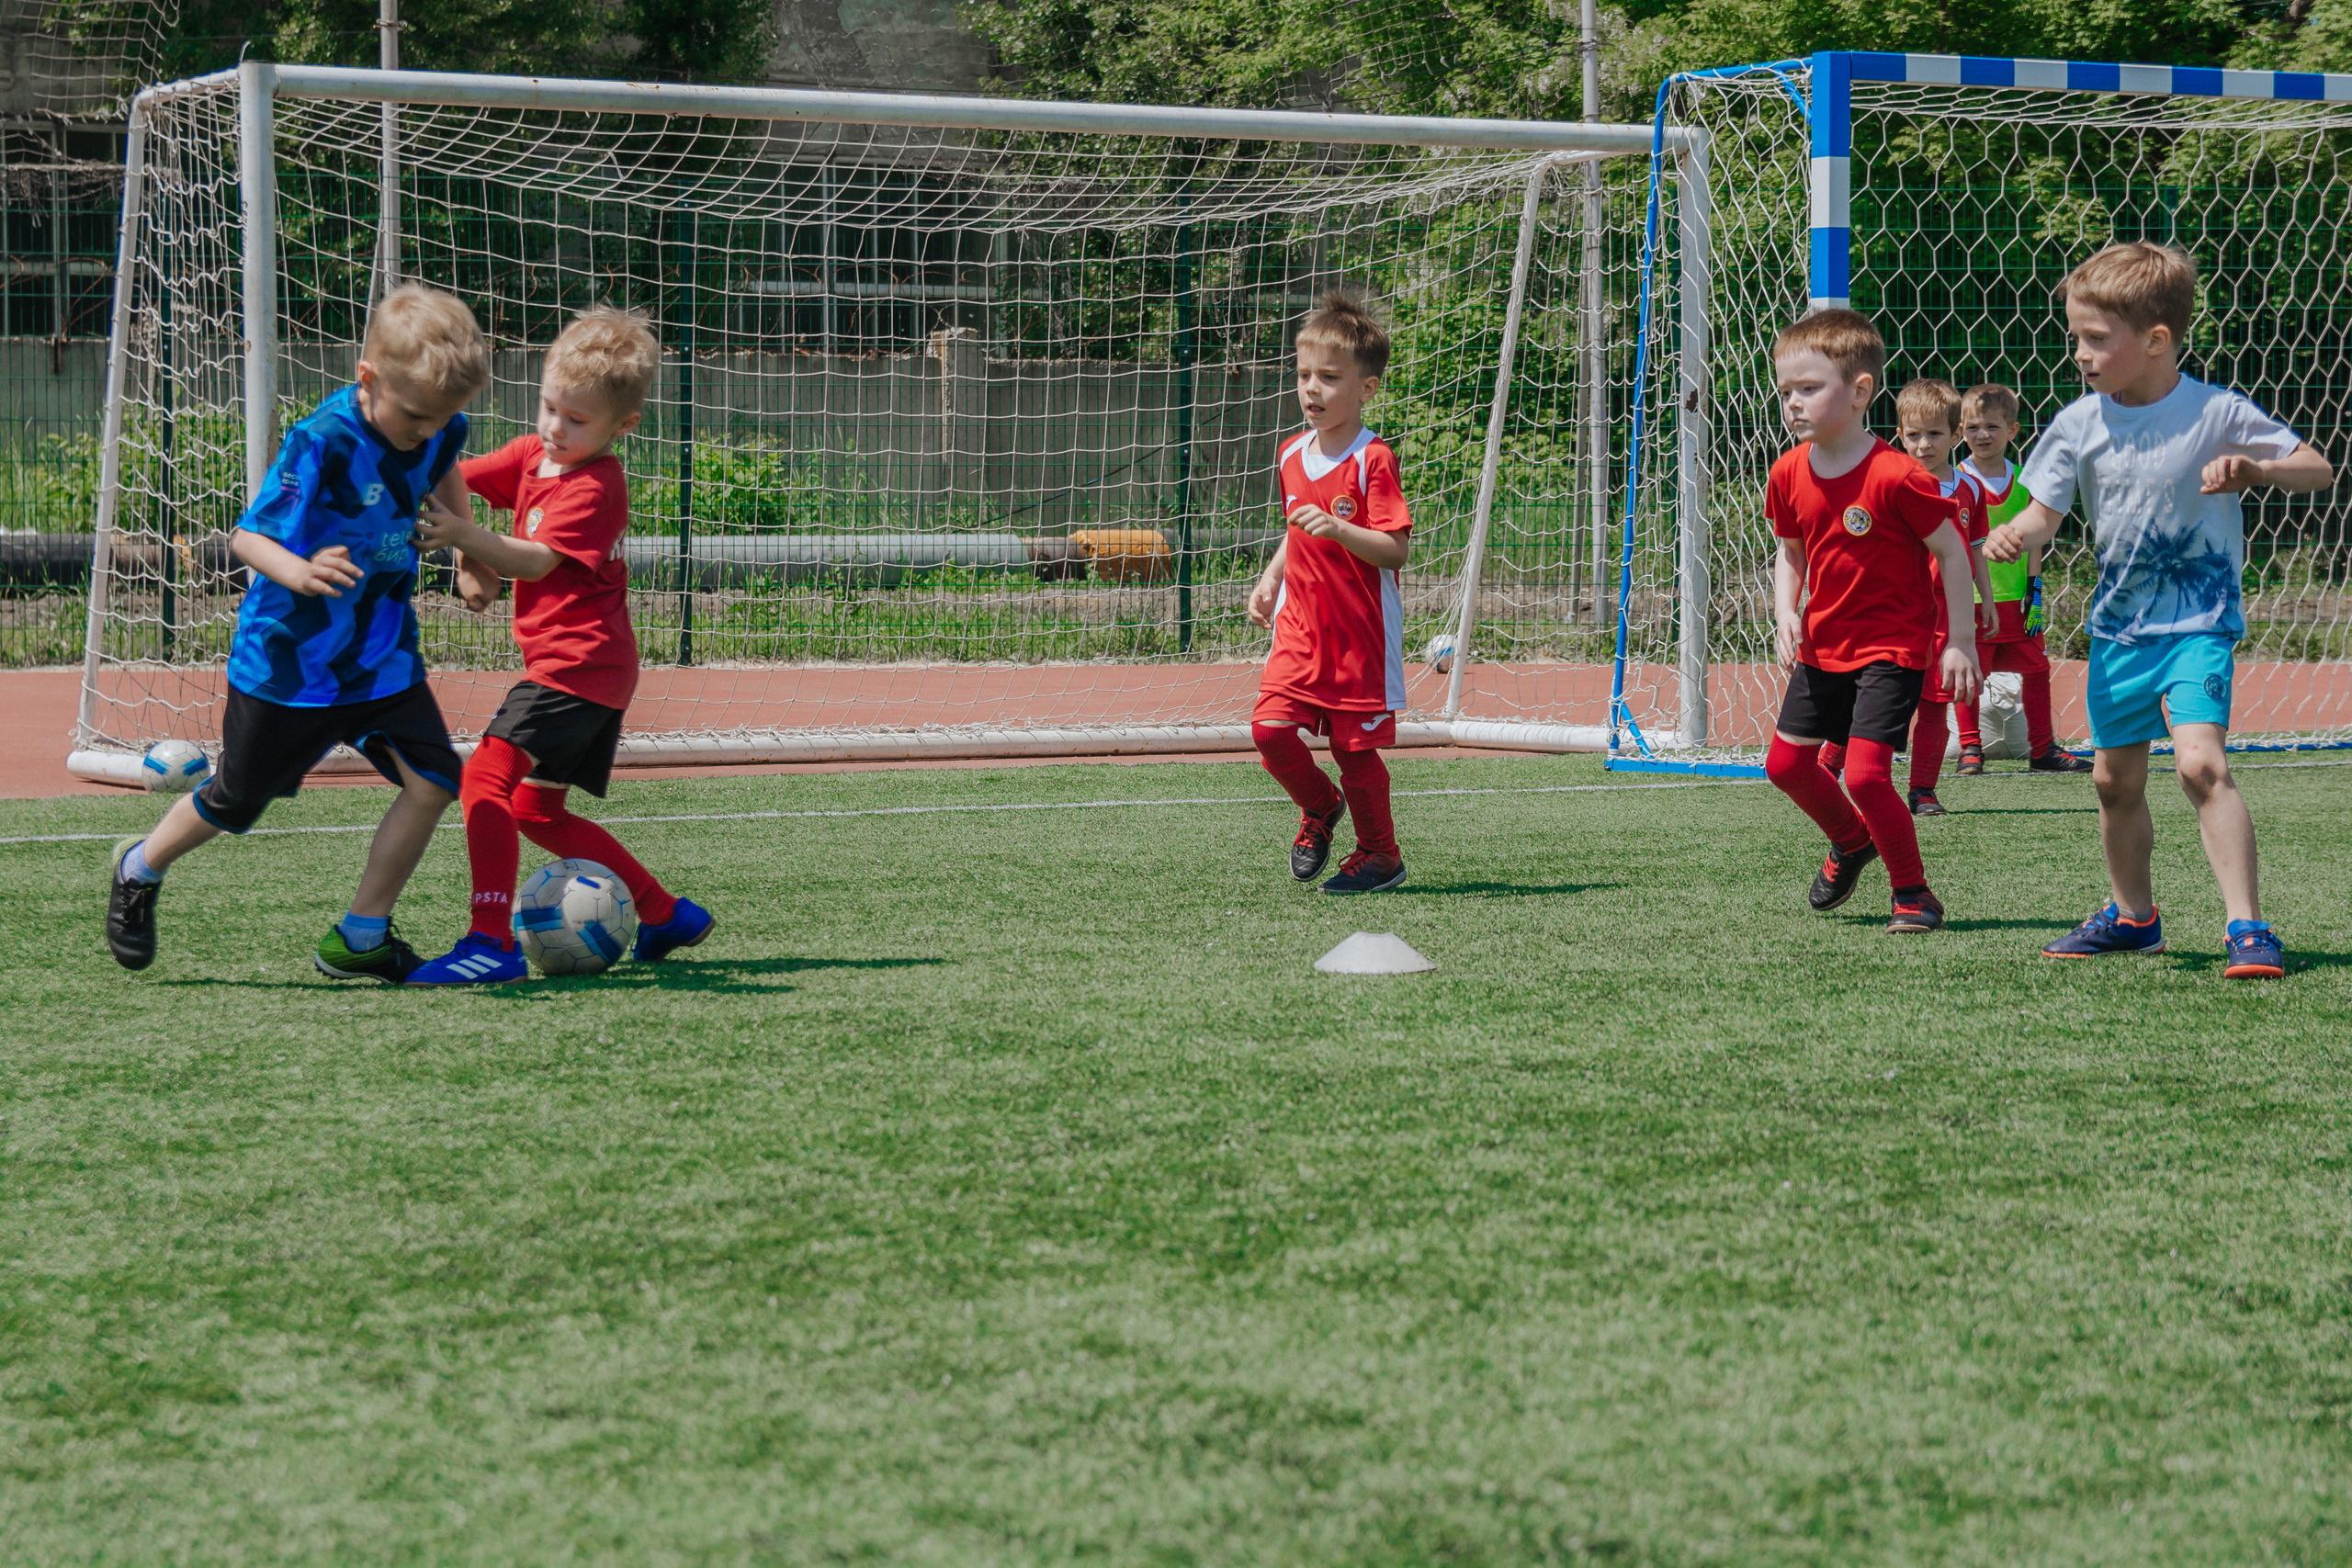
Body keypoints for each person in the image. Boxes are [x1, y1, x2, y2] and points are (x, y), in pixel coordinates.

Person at [104, 284, 490, 979]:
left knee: (435, 780)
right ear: (367, 378)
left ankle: (361, 937)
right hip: (288, 666)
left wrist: (466, 551)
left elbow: (445, 472)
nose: (428, 430)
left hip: (380, 659)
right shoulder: (323, 439)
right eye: (415, 416)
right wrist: (301, 571)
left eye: (442, 417)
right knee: (236, 801)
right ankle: (140, 866)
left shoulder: (439, 427)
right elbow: (248, 538)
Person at [1985, 242, 2331, 979]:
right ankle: (2134, 918)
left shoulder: (2215, 411)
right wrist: (2020, 531)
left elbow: (2317, 468)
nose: (2080, 353)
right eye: (2075, 336)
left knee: (2201, 765)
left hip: (2198, 627)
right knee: (2113, 782)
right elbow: (2045, 513)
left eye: (2095, 338)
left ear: (2156, 339)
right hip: (2119, 633)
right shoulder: (2078, 424)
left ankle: (2248, 927)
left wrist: (2258, 468)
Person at [403, 306, 715, 985]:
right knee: (534, 809)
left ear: (622, 426)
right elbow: (452, 476)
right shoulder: (530, 456)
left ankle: (491, 942)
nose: (555, 428)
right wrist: (452, 539)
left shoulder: (598, 485)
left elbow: (537, 561)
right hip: (581, 670)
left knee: (483, 779)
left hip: (580, 666)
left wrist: (462, 539)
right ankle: (665, 912)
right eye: (549, 407)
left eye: (576, 419)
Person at [1760, 310, 1983, 934]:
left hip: (1892, 648)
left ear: (1860, 391)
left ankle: (1914, 894)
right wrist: (1785, 610)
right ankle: (1852, 841)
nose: (1793, 402)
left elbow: (1953, 552)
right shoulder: (1788, 471)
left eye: (1809, 388)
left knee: (1863, 774)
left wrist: (1960, 640)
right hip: (1823, 646)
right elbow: (1790, 551)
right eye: (1786, 390)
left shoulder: (1897, 475)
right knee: (1785, 766)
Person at [1244, 291, 1413, 896]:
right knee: (1269, 730)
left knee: (1353, 748)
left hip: (1359, 636)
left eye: (1330, 378)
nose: (1312, 389)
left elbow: (1395, 550)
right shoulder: (1291, 453)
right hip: (1300, 628)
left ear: (1367, 388)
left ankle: (1380, 855)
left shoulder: (1373, 459)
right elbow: (1298, 529)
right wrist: (1272, 577)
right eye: (1304, 375)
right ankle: (1320, 805)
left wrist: (1341, 530)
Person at [1953, 382, 2090, 775]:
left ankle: (2043, 749)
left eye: (1992, 427)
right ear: (1961, 430)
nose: (1982, 434)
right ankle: (1970, 748)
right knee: (1970, 674)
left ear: (2012, 430)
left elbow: (2035, 540)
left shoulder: (2026, 481)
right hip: (1971, 601)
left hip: (2019, 599)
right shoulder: (1956, 481)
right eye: (1973, 427)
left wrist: (2036, 589)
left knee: (2036, 671)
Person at [1891, 377, 1997, 817]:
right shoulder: (1891, 483)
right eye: (1914, 435)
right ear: (1900, 435)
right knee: (1873, 700)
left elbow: (1975, 547)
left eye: (1934, 434)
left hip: (1948, 613)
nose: (1924, 445)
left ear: (1955, 435)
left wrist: (1985, 598)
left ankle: (1923, 791)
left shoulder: (1970, 489)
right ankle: (1830, 767)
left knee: (1936, 705)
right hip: (1897, 612)